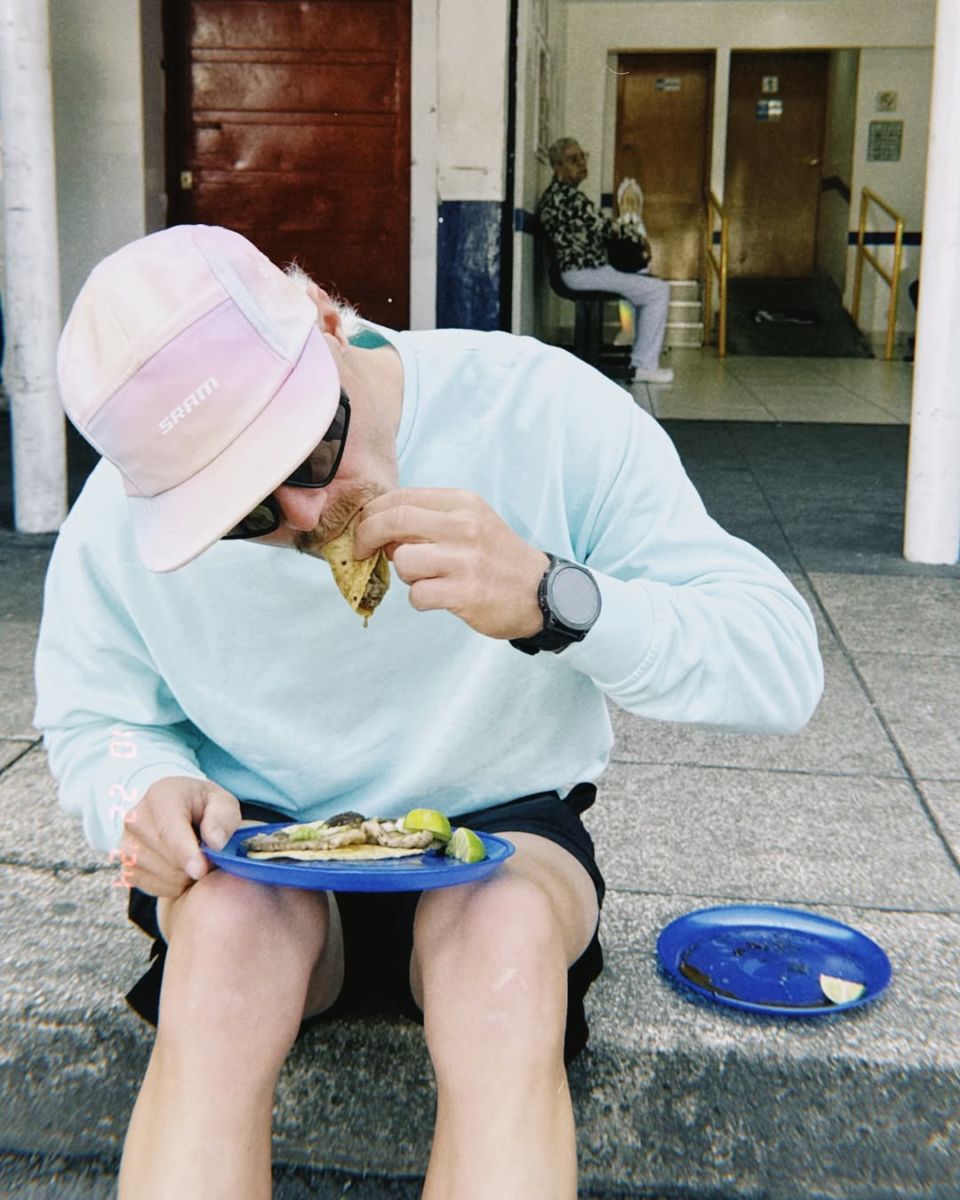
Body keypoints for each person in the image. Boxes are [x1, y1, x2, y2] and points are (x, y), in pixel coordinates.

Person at [34, 223, 823, 1200]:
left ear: (325, 319)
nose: (310, 514)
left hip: (501, 834)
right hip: (257, 843)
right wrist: (143, 792)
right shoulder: (121, 519)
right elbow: (96, 717)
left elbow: (780, 664)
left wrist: (552, 598)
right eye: (243, 514)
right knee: (228, 935)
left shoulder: (540, 408)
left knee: (503, 940)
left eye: (311, 447)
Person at [538, 136, 674, 384]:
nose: (581, 163)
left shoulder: (559, 196)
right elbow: (605, 229)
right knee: (658, 291)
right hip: (582, 273)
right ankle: (643, 365)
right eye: (573, 160)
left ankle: (640, 356)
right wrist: (639, 238)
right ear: (557, 167)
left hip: (582, 270)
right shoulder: (567, 198)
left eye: (582, 157)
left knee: (647, 284)